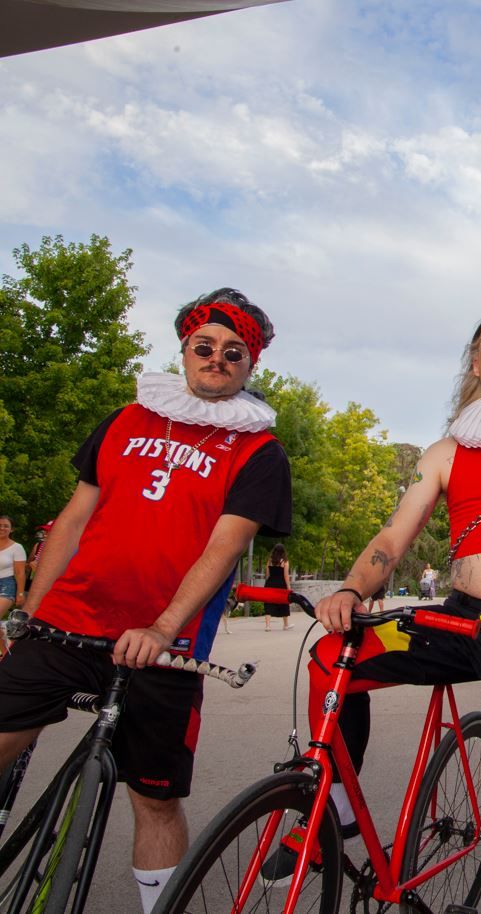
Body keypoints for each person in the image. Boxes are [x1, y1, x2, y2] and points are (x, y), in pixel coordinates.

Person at [273, 308, 481, 914]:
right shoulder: (445, 452)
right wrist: (350, 590)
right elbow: (393, 537)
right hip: (457, 618)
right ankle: (332, 809)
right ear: (475, 361)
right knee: (327, 659)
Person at [0, 288, 290, 914]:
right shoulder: (125, 419)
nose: (217, 358)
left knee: (155, 799)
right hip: (68, 619)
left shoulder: (260, 451)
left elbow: (223, 548)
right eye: (204, 347)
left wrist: (161, 628)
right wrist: (28, 613)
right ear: (184, 351)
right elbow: (75, 519)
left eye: (233, 352)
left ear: (250, 364)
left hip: (167, 647)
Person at [261, 543, 293, 630]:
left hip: (270, 583)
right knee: (283, 603)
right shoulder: (284, 562)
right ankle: (286, 625)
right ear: (283, 552)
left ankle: (267, 626)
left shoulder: (270, 561)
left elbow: (267, 574)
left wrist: (266, 584)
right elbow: (286, 576)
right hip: (281, 584)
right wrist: (289, 588)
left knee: (268, 603)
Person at [0, 516, 26, 618]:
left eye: (6, 526)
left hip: (6, 585)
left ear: (11, 529)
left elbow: (20, 572)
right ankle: (4, 633)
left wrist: (20, 593)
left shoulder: (17, 548)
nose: (2, 528)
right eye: (0, 525)